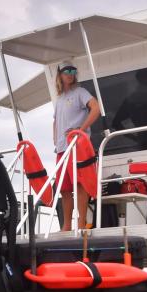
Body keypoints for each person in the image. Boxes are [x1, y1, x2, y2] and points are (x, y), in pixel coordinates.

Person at [53, 61, 100, 230]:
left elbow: (96, 108)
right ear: (60, 74)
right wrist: (55, 140)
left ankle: (81, 222)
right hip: (61, 149)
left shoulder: (80, 92)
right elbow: (55, 121)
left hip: (77, 147)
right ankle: (66, 225)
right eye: (67, 71)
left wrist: (81, 130)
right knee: (64, 188)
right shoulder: (59, 100)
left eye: (73, 70)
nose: (71, 73)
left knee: (80, 184)